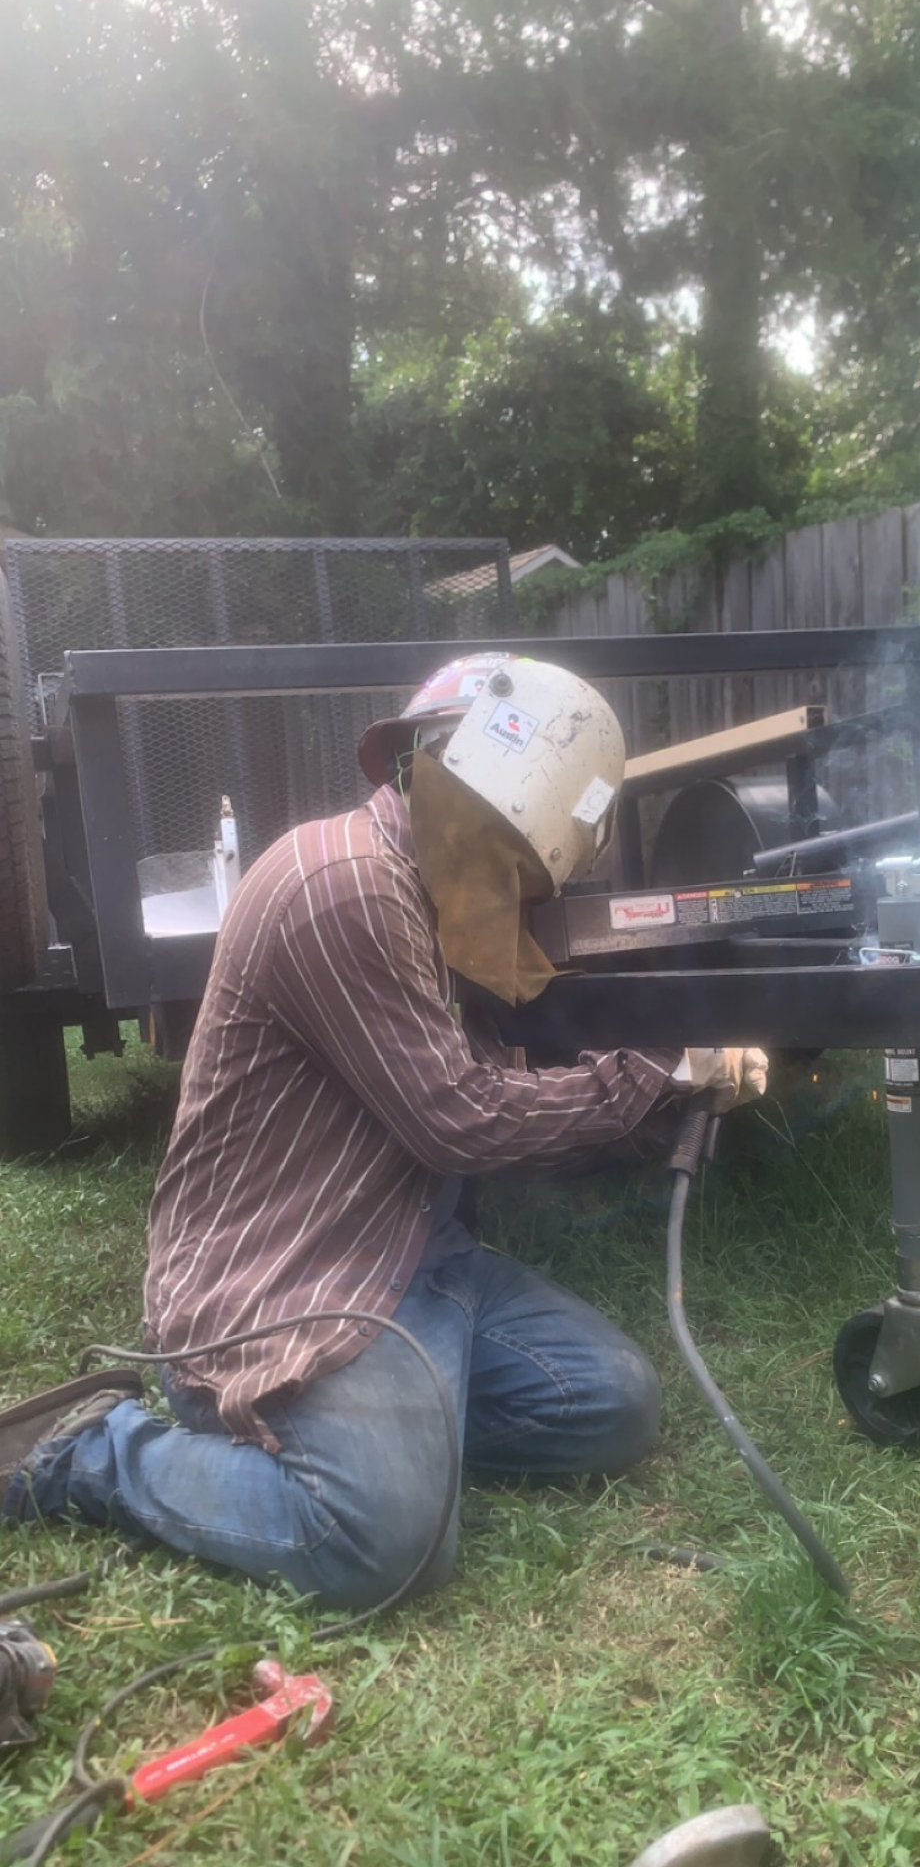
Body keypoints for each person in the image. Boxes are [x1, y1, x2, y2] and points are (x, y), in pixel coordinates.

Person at [1, 655, 766, 1610]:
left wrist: (659, 1087)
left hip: (415, 1252)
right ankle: (96, 1450)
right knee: (379, 1546)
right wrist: (663, 1067)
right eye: (516, 861)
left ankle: (395, 1438)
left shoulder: (435, 903)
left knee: (610, 1403)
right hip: (289, 1270)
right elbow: (462, 1121)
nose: (521, 890)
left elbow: (505, 1089)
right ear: (473, 786)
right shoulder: (345, 883)